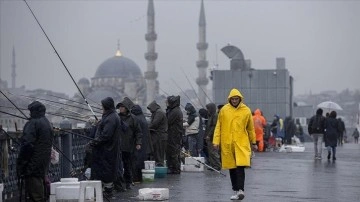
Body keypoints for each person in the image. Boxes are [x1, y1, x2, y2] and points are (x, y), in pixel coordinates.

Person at [213, 88, 257, 200]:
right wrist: (215, 141)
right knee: (231, 168)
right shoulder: (224, 110)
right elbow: (219, 126)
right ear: (230, 99)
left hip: (241, 143)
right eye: (232, 99)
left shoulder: (246, 110)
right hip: (227, 143)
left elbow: (250, 128)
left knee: (240, 167)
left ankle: (241, 189)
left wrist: (253, 142)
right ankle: (236, 190)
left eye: (236, 99)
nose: (234, 101)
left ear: (240, 99)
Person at [16, 101, 54, 202]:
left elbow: (27, 145)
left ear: (33, 111)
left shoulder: (33, 123)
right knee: (40, 192)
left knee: (35, 196)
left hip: (32, 165)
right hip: (43, 163)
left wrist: (21, 164)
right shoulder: (48, 123)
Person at [87, 97, 122, 197]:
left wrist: (93, 142)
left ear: (106, 106)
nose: (101, 107)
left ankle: (108, 191)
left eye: (102, 106)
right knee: (106, 170)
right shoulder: (111, 116)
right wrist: (100, 123)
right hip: (107, 149)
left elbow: (106, 135)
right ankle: (106, 189)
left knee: (106, 170)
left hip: (107, 149)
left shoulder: (111, 118)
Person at [115, 97, 142, 190]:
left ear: (126, 108)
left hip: (129, 145)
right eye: (120, 107)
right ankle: (118, 183)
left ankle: (128, 182)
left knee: (127, 165)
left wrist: (138, 143)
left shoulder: (133, 118)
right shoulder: (117, 117)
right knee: (118, 165)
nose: (120, 108)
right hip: (118, 145)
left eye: (122, 107)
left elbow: (138, 132)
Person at [131, 104, 152, 183]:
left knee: (136, 160)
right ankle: (139, 178)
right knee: (141, 160)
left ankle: (136, 178)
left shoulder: (137, 119)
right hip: (144, 143)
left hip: (138, 144)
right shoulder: (142, 117)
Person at [147, 100, 168, 166]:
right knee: (158, 153)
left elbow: (154, 124)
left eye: (150, 109)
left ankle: (159, 167)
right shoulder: (158, 112)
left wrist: (147, 128)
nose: (150, 111)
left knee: (159, 154)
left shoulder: (159, 113)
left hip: (160, 136)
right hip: (159, 135)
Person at [166, 95, 183, 174]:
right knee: (173, 151)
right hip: (174, 134)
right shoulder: (175, 110)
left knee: (174, 152)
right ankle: (174, 167)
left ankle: (175, 169)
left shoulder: (175, 111)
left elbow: (168, 121)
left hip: (174, 135)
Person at [205, 103, 221, 170]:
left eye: (208, 109)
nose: (207, 110)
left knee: (214, 152)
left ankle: (217, 165)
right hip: (210, 136)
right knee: (210, 152)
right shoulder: (211, 115)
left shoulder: (215, 115)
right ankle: (213, 165)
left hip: (213, 137)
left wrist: (209, 135)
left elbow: (214, 127)